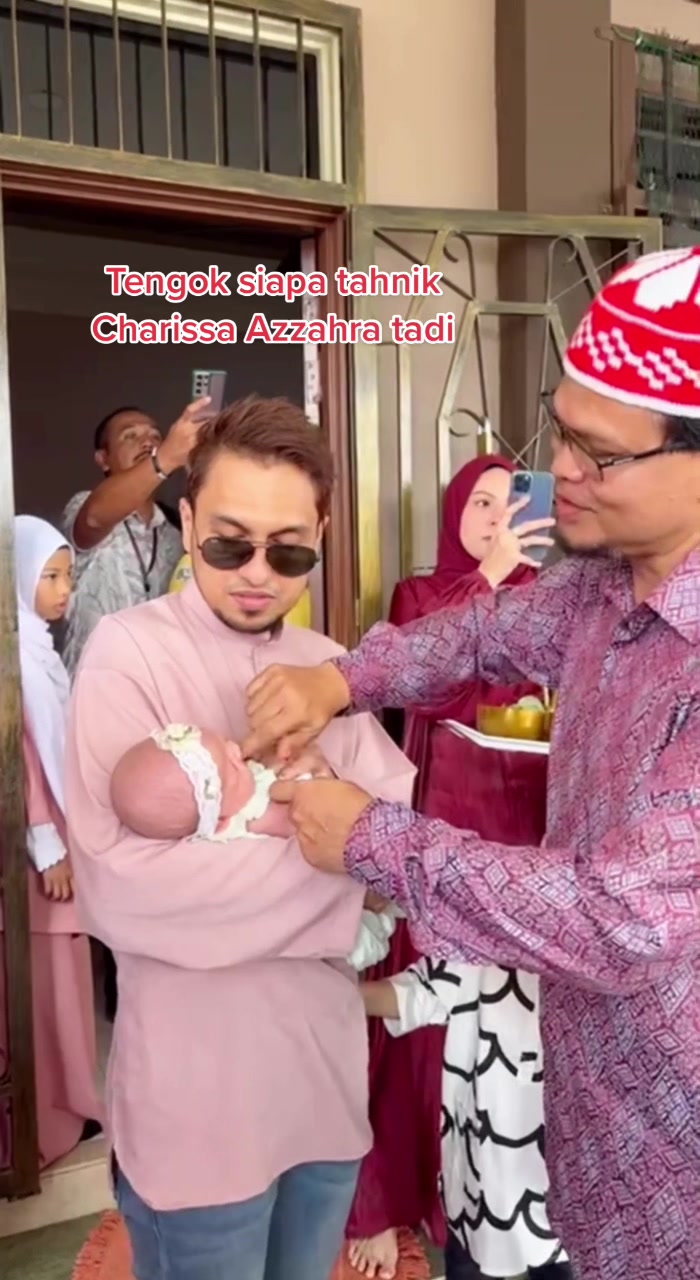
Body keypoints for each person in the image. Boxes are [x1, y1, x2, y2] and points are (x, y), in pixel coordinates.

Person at [244, 246, 700, 1280]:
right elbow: (485, 633)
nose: (559, 473)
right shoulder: (604, 583)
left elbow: (616, 917)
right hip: (590, 1117)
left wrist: (372, 839)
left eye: (599, 455)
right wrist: (342, 679)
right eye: (559, 431)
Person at [64, 395, 415, 1280]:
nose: (259, 573)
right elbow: (126, 894)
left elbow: (404, 851)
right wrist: (340, 870)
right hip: (194, 1117)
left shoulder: (327, 667)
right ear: (187, 522)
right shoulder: (127, 653)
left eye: (289, 549)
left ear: (321, 535)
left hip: (324, 1091)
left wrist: (337, 857)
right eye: (229, 544)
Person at [348, 456, 568, 1280]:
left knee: (502, 1023)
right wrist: (489, 578)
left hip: (519, 829)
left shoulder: (546, 597)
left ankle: (488, 1196)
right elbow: (421, 687)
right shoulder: (420, 596)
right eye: (479, 501)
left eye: (511, 501)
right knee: (422, 1009)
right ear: (452, 511)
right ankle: (389, 1197)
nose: (496, 516)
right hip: (439, 821)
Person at [0, 516, 103, 1171]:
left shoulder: (35, 649)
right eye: (51, 577)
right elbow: (20, 759)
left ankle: (70, 1107)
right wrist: (49, 845)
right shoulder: (12, 661)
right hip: (38, 848)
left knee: (62, 978)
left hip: (57, 833)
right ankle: (48, 1122)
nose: (66, 590)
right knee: (46, 987)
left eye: (67, 576)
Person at [61, 399, 210, 679]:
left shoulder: (176, 533)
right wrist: (165, 458)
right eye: (130, 436)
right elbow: (94, 519)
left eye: (155, 436)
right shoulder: (84, 506)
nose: (147, 442)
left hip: (155, 687)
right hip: (93, 687)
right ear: (103, 459)